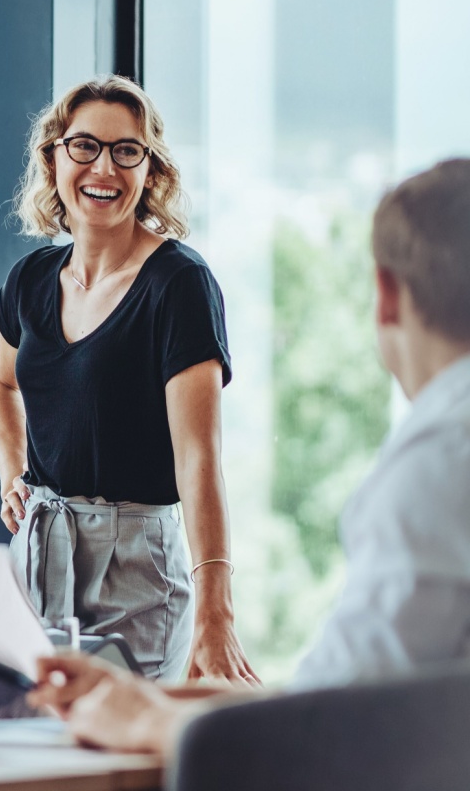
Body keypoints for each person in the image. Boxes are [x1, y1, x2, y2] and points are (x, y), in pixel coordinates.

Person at [26, 157, 470, 754]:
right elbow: (351, 691)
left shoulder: (439, 465)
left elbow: (333, 729)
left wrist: (146, 722)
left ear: (386, 296)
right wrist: (152, 698)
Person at [0, 74, 255, 682]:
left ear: (150, 171)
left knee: (121, 766)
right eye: (84, 145)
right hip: (36, 553)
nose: (102, 167)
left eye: (125, 150)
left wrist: (218, 612)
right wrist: (11, 473)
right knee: (28, 756)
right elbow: (0, 383)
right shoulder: (29, 279)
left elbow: (199, 459)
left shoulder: (179, 284)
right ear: (54, 157)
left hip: (135, 567)